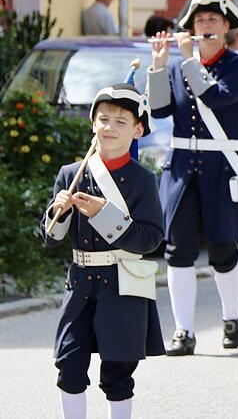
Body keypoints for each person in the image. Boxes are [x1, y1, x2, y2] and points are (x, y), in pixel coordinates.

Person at [41, 84, 165, 419]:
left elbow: (151, 239)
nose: (109, 127)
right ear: (92, 124)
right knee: (68, 365)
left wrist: (104, 214)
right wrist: (58, 212)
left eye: (120, 122)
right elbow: (51, 238)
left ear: (138, 130)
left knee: (118, 373)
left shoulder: (143, 180)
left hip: (122, 283)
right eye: (103, 119)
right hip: (81, 283)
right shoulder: (71, 173)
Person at [147, 0, 238, 356]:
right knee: (178, 251)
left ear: (226, 27)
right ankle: (183, 330)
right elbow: (160, 111)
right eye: (199, 22)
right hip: (181, 170)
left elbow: (215, 98)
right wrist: (159, 66)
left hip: (221, 169)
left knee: (224, 249)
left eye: (213, 21)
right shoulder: (179, 66)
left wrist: (188, 61)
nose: (205, 27)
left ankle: (229, 317)